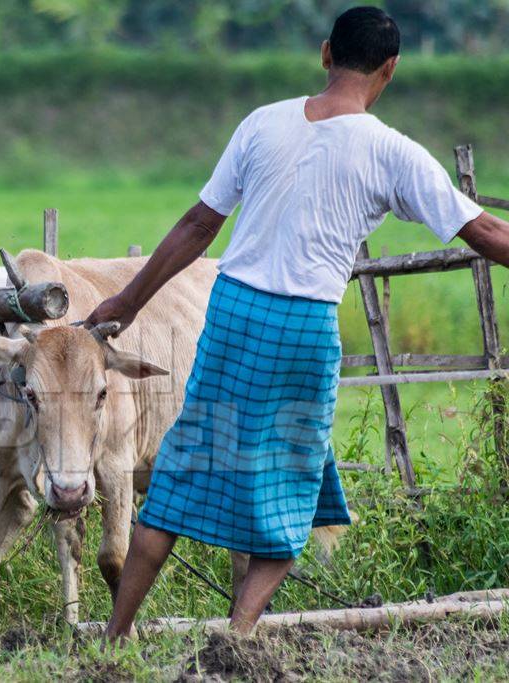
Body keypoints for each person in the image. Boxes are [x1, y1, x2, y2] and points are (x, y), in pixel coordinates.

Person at [85, 5, 509, 638]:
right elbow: (485, 231)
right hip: (303, 329)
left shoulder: (263, 123)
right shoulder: (393, 151)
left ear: (324, 53)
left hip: (229, 316)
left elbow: (199, 226)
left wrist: (128, 301)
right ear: (388, 69)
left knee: (178, 477)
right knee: (292, 491)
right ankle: (239, 635)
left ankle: (115, 636)